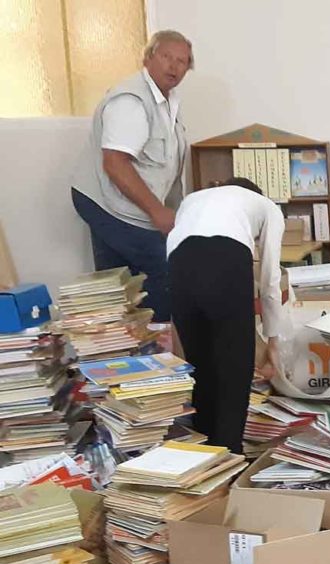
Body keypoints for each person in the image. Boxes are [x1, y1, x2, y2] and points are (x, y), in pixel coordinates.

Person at [71, 30, 194, 322]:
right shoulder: (132, 101)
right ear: (148, 57)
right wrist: (158, 211)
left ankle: (121, 352)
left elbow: (165, 168)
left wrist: (177, 213)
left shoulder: (168, 103)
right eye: (167, 57)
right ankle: (164, 353)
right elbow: (115, 163)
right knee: (167, 265)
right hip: (109, 202)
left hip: (125, 204)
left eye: (182, 62)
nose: (174, 67)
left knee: (115, 285)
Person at [167, 178, 284, 454]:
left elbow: (174, 244)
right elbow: (270, 281)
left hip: (179, 265)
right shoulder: (268, 207)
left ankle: (205, 460)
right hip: (226, 257)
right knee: (235, 371)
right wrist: (274, 342)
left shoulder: (193, 199)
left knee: (201, 370)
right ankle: (230, 461)